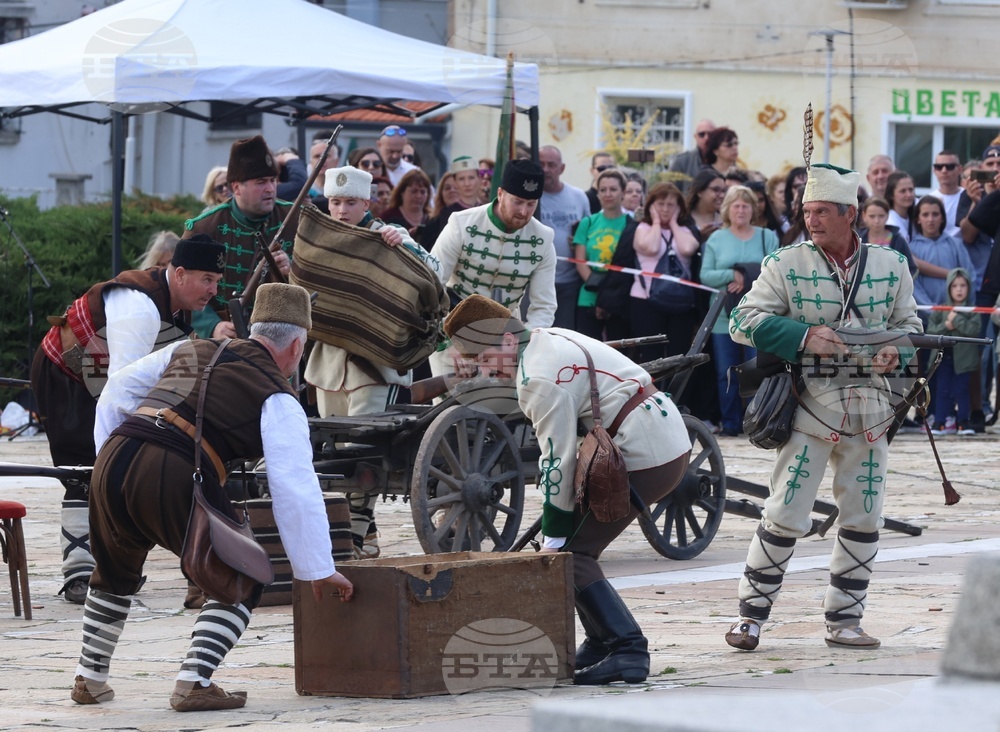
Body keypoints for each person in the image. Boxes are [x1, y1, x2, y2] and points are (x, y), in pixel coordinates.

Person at [70, 283, 354, 712]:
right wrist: (316, 568)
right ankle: (194, 682)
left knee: (114, 569)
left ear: (254, 328)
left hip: (114, 455)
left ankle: (89, 680)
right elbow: (293, 485)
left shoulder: (193, 352)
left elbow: (115, 392)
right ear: (297, 346)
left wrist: (110, 461)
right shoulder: (275, 393)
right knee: (245, 575)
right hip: (173, 467)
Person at [442, 294, 690, 685]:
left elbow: (557, 458)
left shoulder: (536, 378)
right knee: (580, 551)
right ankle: (601, 641)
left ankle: (628, 650)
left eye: (487, 360)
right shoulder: (543, 337)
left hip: (646, 454)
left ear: (507, 342)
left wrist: (554, 535)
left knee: (571, 556)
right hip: (660, 438)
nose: (489, 372)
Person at [725, 163, 921, 652]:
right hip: (810, 405)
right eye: (807, 211)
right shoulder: (785, 263)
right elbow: (741, 321)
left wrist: (899, 350)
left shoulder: (892, 264)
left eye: (821, 212)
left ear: (850, 214)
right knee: (786, 510)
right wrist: (805, 335)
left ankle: (845, 621)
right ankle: (749, 618)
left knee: (865, 514)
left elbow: (911, 325)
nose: (811, 220)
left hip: (874, 410)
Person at [30, 236, 226, 604]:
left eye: (217, 281)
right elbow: (121, 392)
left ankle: (113, 563)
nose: (213, 291)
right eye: (206, 280)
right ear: (180, 274)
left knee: (112, 469)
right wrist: (117, 457)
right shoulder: (140, 309)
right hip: (67, 370)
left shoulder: (177, 299)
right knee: (85, 470)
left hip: (101, 372)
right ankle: (79, 572)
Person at [304, 166, 441, 557]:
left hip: (377, 365)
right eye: (335, 202)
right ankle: (360, 533)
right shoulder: (323, 239)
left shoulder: (391, 235)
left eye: (350, 202)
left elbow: (437, 273)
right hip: (329, 363)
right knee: (335, 454)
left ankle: (354, 536)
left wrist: (406, 245)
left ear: (367, 202)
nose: (342, 210)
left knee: (363, 453)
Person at [429, 159, 557, 373]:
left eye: (531, 204)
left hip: (507, 338)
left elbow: (544, 306)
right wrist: (446, 333)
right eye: (517, 202)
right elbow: (433, 283)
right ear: (500, 193)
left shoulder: (543, 239)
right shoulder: (462, 224)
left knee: (502, 406)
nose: (524, 212)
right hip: (452, 327)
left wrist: (523, 342)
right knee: (448, 405)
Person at [183, 135, 295, 339]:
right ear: (236, 188)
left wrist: (292, 269)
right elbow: (183, 286)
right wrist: (212, 326)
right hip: (223, 343)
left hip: (282, 340)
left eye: (272, 180)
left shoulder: (296, 218)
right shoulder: (204, 227)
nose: (270, 188)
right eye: (260, 182)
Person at [700, 185, 779, 436]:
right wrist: (731, 275)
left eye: (746, 205)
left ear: (753, 209)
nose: (741, 210)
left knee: (757, 370)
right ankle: (731, 423)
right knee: (727, 373)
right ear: (727, 210)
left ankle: (756, 421)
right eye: (736, 205)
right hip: (724, 315)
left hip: (758, 314)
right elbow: (705, 275)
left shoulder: (767, 236)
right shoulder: (716, 239)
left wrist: (748, 277)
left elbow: (775, 270)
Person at [629, 182, 701, 361]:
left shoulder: (686, 230)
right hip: (645, 300)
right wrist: (655, 222)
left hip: (680, 301)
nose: (665, 209)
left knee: (678, 355)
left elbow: (687, 249)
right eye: (660, 204)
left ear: (679, 207)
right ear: (651, 205)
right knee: (651, 356)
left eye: (671, 205)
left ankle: (675, 390)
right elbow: (651, 248)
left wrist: (674, 224)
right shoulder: (642, 228)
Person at [539, 145, 591, 330]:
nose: (546, 170)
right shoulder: (531, 197)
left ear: (562, 168)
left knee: (564, 333)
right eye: (541, 164)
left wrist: (580, 242)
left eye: (551, 165)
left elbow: (588, 233)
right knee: (537, 332)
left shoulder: (578, 197)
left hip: (569, 281)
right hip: (537, 279)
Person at [573, 168, 630, 340]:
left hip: (618, 297)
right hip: (589, 295)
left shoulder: (631, 224)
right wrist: (598, 290)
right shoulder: (588, 223)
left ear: (623, 193)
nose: (608, 194)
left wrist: (609, 297)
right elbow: (580, 260)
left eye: (613, 189)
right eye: (603, 190)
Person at [928, 268, 980, 436]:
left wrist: (956, 319)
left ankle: (963, 423)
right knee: (942, 390)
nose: (959, 289)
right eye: (955, 286)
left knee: (962, 390)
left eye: (963, 285)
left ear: (969, 287)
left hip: (963, 360)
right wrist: (947, 326)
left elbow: (975, 329)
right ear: (949, 288)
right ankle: (939, 422)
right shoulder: (940, 309)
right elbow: (931, 331)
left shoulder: (972, 310)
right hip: (943, 358)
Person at [909, 195, 976, 310]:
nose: (931, 219)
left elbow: (969, 277)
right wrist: (931, 310)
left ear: (942, 218)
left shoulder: (956, 245)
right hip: (926, 317)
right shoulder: (912, 248)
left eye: (935, 214)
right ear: (918, 219)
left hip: (956, 316)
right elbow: (913, 284)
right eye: (925, 215)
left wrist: (962, 309)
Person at [857, 197, 916, 275]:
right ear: (864, 216)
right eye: (872, 216)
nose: (876, 221)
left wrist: (901, 285)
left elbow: (911, 268)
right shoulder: (858, 240)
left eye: (881, 216)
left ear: (888, 215)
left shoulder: (898, 240)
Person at [379, 168, 431, 239]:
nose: (418, 196)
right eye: (413, 191)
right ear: (402, 192)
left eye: (422, 192)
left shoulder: (432, 219)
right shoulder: (388, 217)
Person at [667, 119, 716, 191]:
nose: (706, 138)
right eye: (702, 134)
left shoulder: (725, 160)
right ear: (696, 137)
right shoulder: (682, 161)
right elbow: (671, 191)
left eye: (711, 134)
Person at [685, 169, 727, 241]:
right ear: (700, 192)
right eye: (716, 190)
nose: (722, 195)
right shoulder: (683, 219)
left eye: (723, 191)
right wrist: (699, 237)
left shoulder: (727, 219)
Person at [930, 150, 963, 239]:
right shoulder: (927, 200)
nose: (944, 171)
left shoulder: (969, 196)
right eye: (939, 167)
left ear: (960, 169)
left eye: (950, 167)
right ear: (934, 170)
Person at [885, 170, 916, 242]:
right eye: (903, 191)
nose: (909, 195)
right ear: (891, 195)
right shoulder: (889, 221)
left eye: (911, 190)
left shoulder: (916, 217)